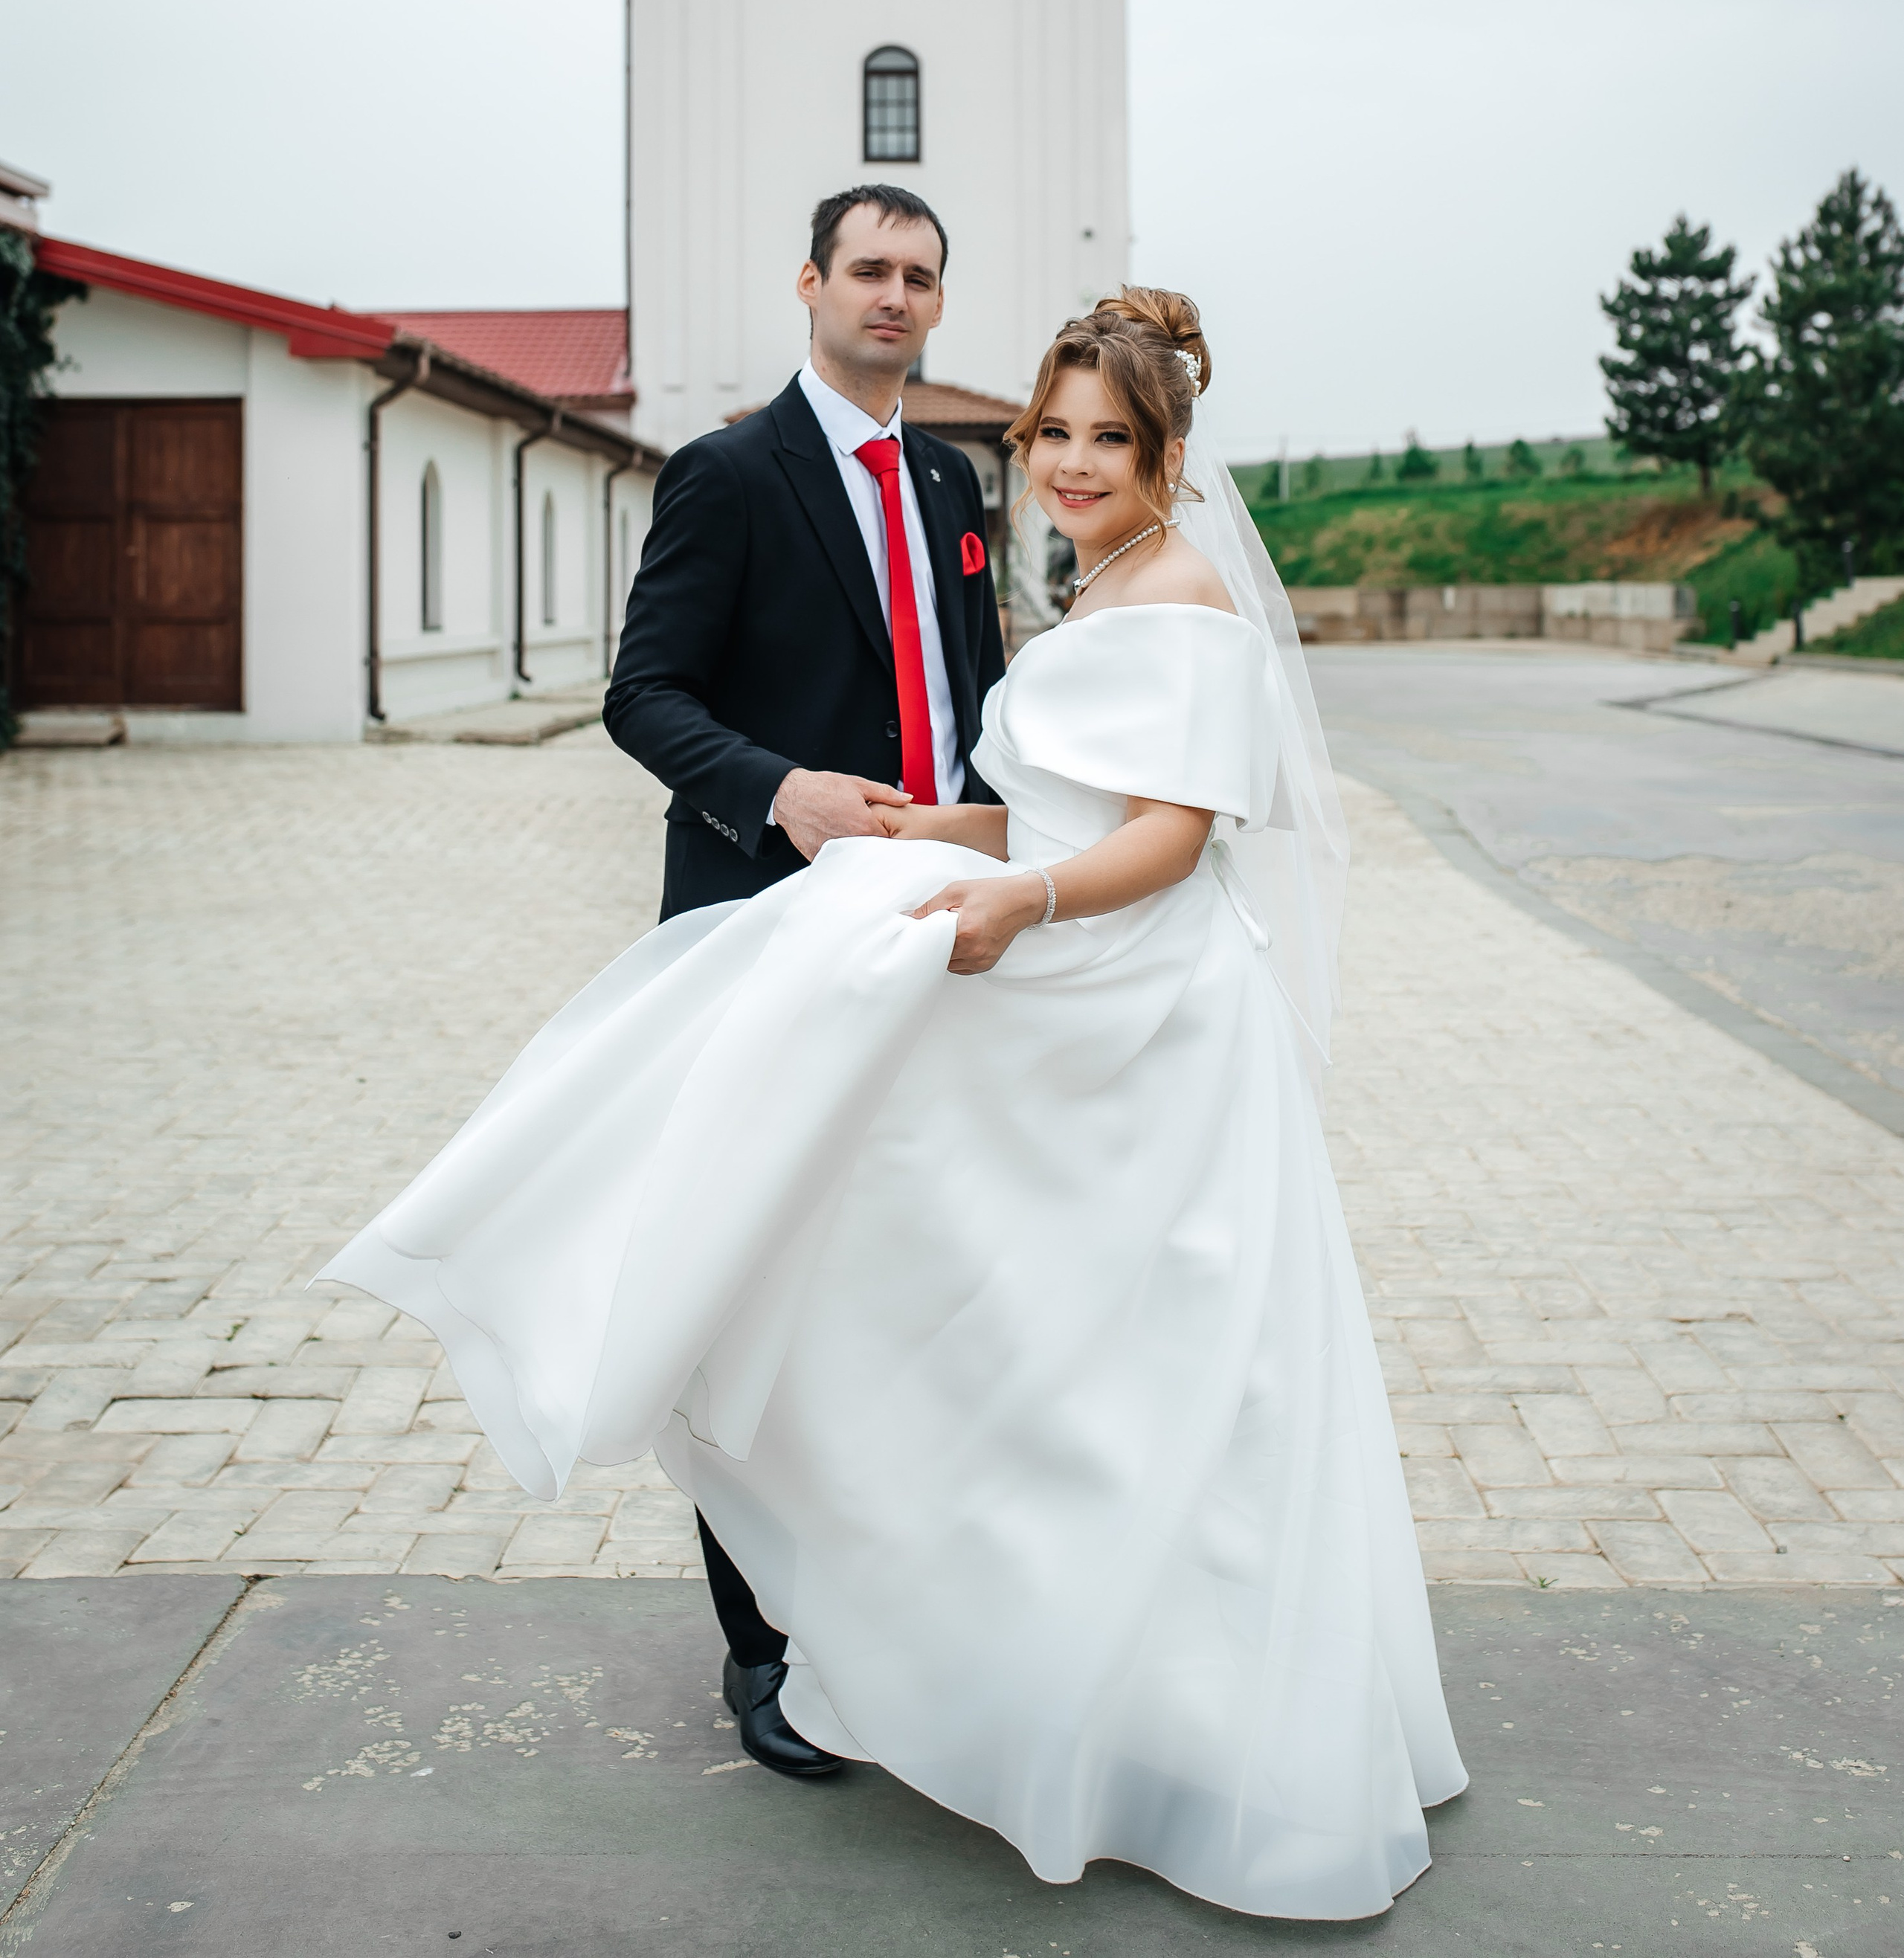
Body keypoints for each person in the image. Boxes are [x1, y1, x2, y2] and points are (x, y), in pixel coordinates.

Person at [318, 288, 1467, 1921]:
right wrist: (935, 830)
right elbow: (1048, 805)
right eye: (1053, 433)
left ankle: (1211, 1716)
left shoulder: (1190, 595)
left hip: (1146, 1025)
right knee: (993, 1280)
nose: (1071, 464)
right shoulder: (1099, 584)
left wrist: (1022, 902)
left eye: (1108, 441)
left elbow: (1172, 837)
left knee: (1166, 1362)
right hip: (1070, 984)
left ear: (1166, 454)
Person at [597, 182, 1006, 1773]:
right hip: (768, 929)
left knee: (909, 1283)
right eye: (867, 270)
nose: (891, 296)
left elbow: (970, 697)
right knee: (758, 1284)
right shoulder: (727, 474)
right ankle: (763, 1648)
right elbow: (642, 693)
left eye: (918, 275)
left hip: (938, 932)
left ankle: (898, 1611)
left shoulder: (954, 479)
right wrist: (779, 789)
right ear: (809, 286)